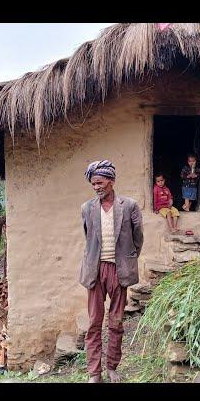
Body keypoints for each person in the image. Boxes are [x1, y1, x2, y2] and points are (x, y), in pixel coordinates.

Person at [80, 160, 144, 383]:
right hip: (95, 272)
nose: (96, 187)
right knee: (94, 322)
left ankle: (112, 367)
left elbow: (138, 238)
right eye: (93, 184)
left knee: (116, 322)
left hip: (118, 270)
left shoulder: (129, 206)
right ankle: (94, 373)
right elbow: (89, 238)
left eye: (99, 182)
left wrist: (127, 261)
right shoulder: (87, 208)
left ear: (111, 181)